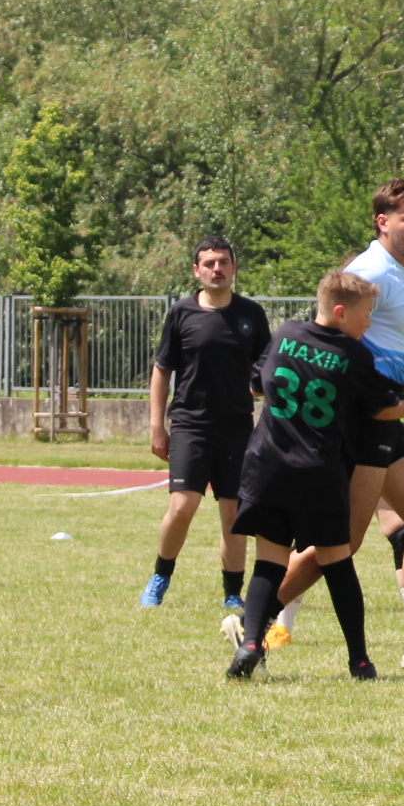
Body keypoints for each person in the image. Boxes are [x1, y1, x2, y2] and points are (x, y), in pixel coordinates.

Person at [271, 179, 404, 672]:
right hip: (361, 421)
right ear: (382, 222)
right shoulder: (370, 270)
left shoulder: (403, 273)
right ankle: (254, 620)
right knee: (343, 542)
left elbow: (399, 337)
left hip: (386, 418)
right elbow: (330, 333)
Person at [221, 272, 404, 681]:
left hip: (267, 467)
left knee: (269, 562)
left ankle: (250, 642)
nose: (369, 323)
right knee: (338, 564)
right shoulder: (353, 354)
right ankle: (360, 661)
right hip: (318, 472)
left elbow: (256, 385)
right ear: (340, 312)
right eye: (365, 315)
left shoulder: (286, 333)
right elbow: (381, 408)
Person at [141, 236, 271, 613]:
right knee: (183, 505)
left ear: (234, 267)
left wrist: (261, 389)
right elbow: (162, 370)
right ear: (197, 271)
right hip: (189, 425)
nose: (217, 269)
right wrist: (156, 426)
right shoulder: (181, 313)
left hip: (237, 428)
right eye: (210, 263)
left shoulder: (251, 314)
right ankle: (160, 577)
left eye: (224, 262)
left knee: (233, 513)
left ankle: (232, 593)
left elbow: (268, 367)